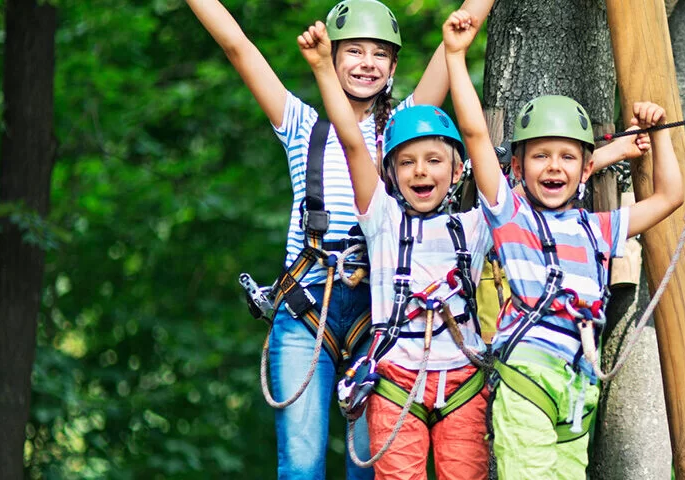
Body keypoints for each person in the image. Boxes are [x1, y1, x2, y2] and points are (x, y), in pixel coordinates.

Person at [187, 0, 492, 477]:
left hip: (384, 315)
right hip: (307, 304)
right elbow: (238, 48)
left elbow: (459, 34)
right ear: (331, 58)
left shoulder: (405, 128)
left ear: (393, 66)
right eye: (353, 51)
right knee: (302, 462)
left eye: (379, 54)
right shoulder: (301, 125)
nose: (366, 63)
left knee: (370, 465)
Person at [442, 10, 685, 478]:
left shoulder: (598, 228)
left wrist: (661, 136)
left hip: (578, 390)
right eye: (541, 156)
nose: (554, 167)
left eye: (567, 157)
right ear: (519, 165)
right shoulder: (510, 215)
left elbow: (670, 197)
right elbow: (474, 134)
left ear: (585, 167)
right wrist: (455, 55)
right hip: (528, 377)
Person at [299, 19, 493, 479]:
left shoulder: (478, 224)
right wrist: (325, 67)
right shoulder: (382, 221)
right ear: (390, 174)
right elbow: (351, 142)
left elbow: (478, 136)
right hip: (394, 381)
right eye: (406, 163)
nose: (420, 172)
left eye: (433, 161)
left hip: (462, 381)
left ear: (457, 169)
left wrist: (456, 57)